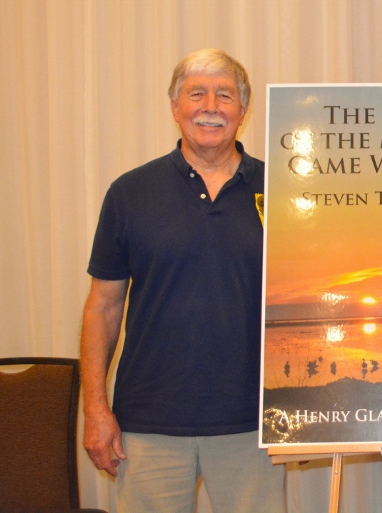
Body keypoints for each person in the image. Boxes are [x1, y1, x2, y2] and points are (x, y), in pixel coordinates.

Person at [80, 48, 285, 513]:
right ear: (175, 107)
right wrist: (95, 408)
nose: (210, 105)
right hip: (148, 426)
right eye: (196, 94)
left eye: (225, 95)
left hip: (254, 423)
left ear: (242, 110)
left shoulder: (282, 193)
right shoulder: (129, 193)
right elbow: (103, 306)